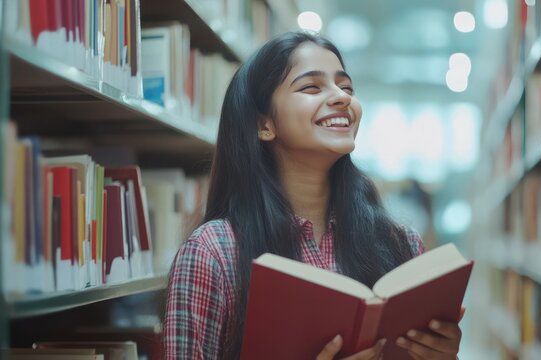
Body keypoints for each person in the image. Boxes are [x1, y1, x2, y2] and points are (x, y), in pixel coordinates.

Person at [163, 31, 463, 360]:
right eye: (311, 87)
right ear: (264, 124)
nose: (342, 98)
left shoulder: (401, 244)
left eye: (346, 87)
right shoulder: (212, 253)